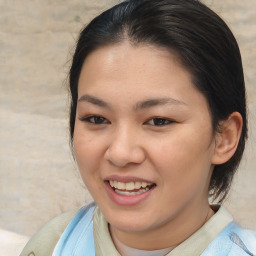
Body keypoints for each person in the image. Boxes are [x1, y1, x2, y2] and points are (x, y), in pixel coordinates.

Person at [20, 0, 256, 255]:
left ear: (225, 137)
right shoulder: (53, 245)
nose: (120, 153)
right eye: (97, 118)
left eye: (158, 121)